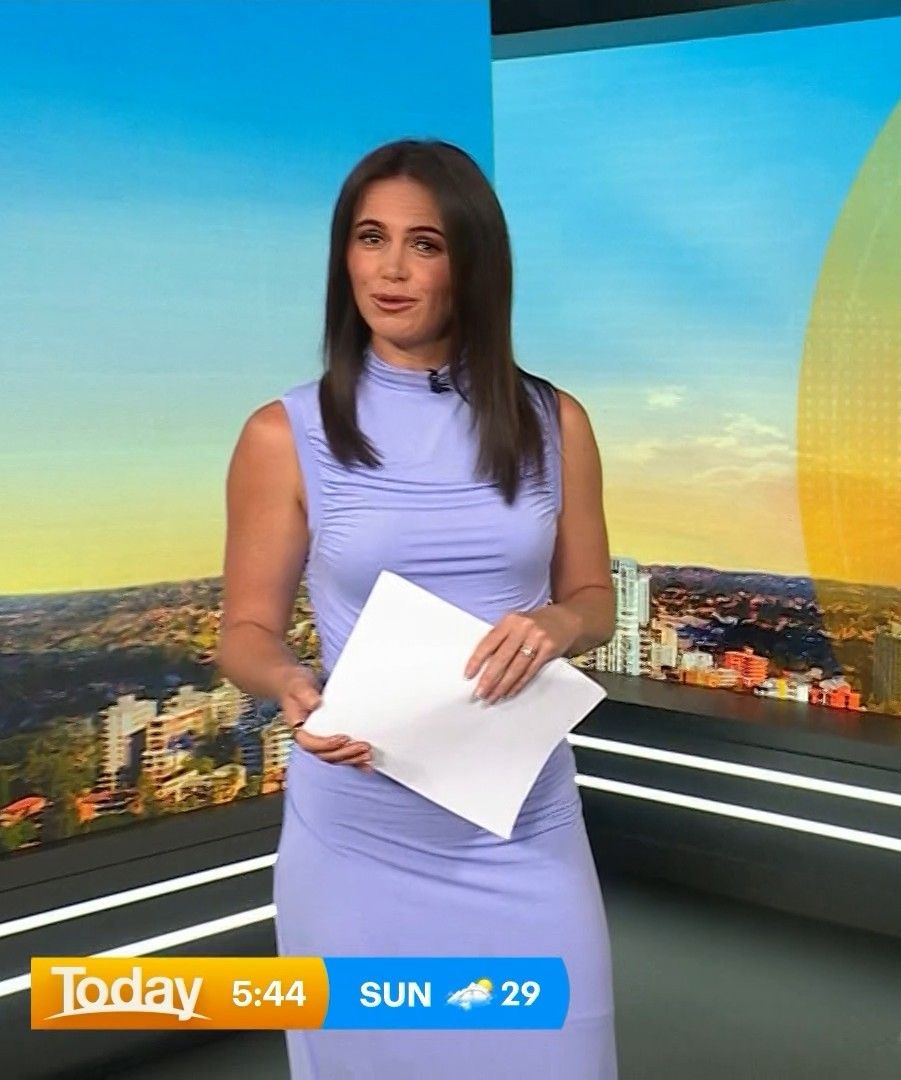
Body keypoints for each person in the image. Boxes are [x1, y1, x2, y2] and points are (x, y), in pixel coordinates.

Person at [217, 138, 618, 1078]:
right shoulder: (282, 434)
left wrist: (557, 624)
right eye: (371, 238)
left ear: (470, 263)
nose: (391, 269)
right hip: (359, 843)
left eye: (424, 244)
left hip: (525, 829)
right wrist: (291, 685)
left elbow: (595, 599)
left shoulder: (556, 422)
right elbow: (243, 633)